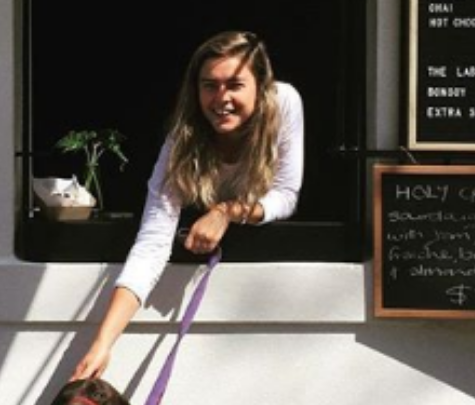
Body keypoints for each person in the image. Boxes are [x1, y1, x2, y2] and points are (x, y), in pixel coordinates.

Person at [71, 29, 304, 381]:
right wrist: (102, 345)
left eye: (235, 85)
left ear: (260, 86)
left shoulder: (284, 103)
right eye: (210, 86)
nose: (221, 98)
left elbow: (285, 194)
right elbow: (152, 243)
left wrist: (226, 211)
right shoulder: (182, 139)